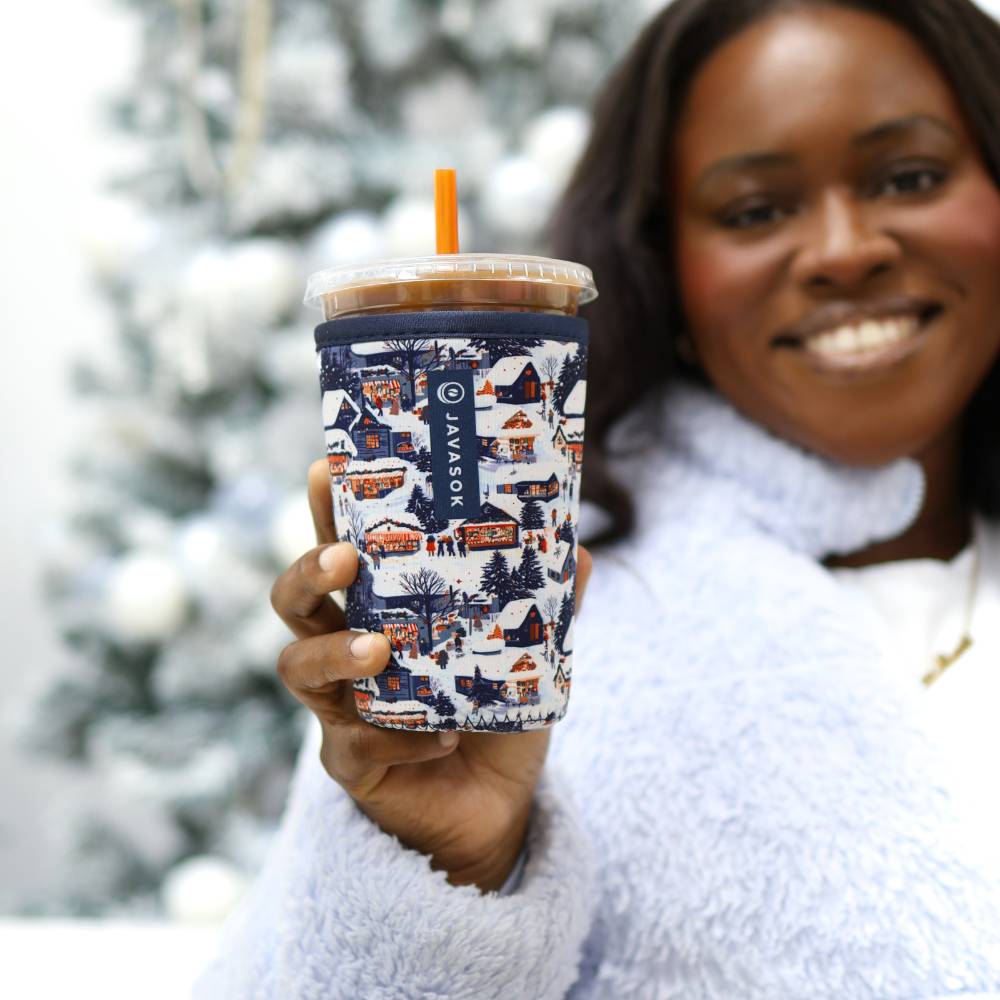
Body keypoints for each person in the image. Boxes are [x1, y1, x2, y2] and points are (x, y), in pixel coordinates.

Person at [195, 1, 1000, 997]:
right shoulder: (502, 626)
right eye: (755, 209)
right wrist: (454, 865)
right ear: (665, 270)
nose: (843, 249)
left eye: (909, 177)